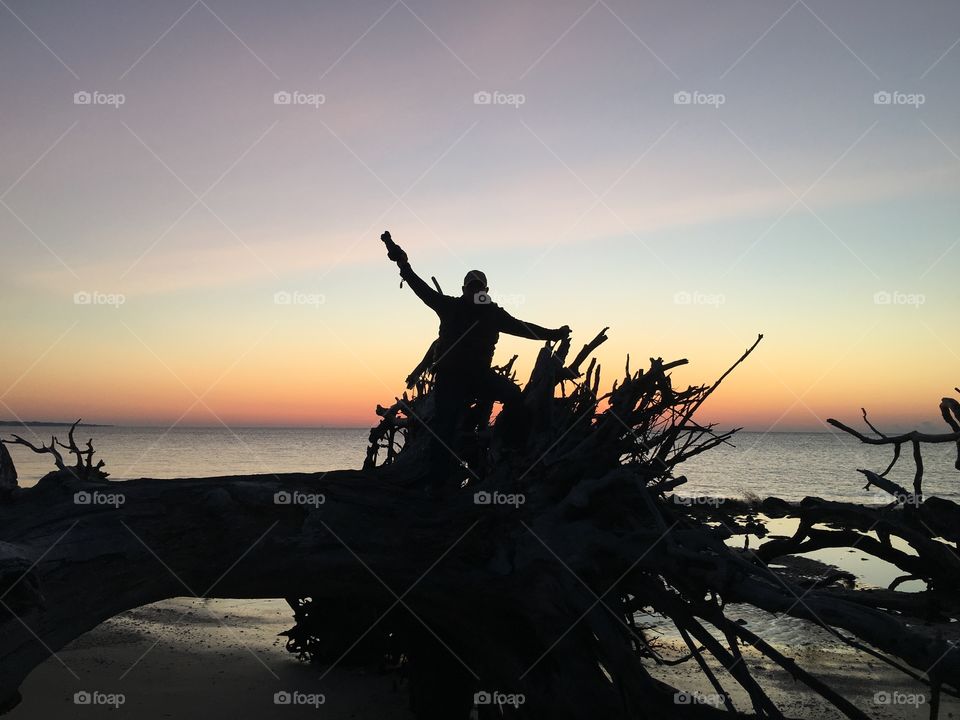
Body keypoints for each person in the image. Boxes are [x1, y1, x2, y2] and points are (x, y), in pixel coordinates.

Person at [381, 231, 570, 493]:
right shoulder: (448, 305)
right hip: (449, 379)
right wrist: (403, 264)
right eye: (471, 287)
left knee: (514, 397)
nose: (475, 290)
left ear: (486, 290)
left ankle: (509, 448)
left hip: (480, 378)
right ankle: (437, 487)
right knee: (443, 429)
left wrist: (554, 334)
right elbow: (419, 287)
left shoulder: (494, 314)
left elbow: (523, 328)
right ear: (464, 289)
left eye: (479, 287)